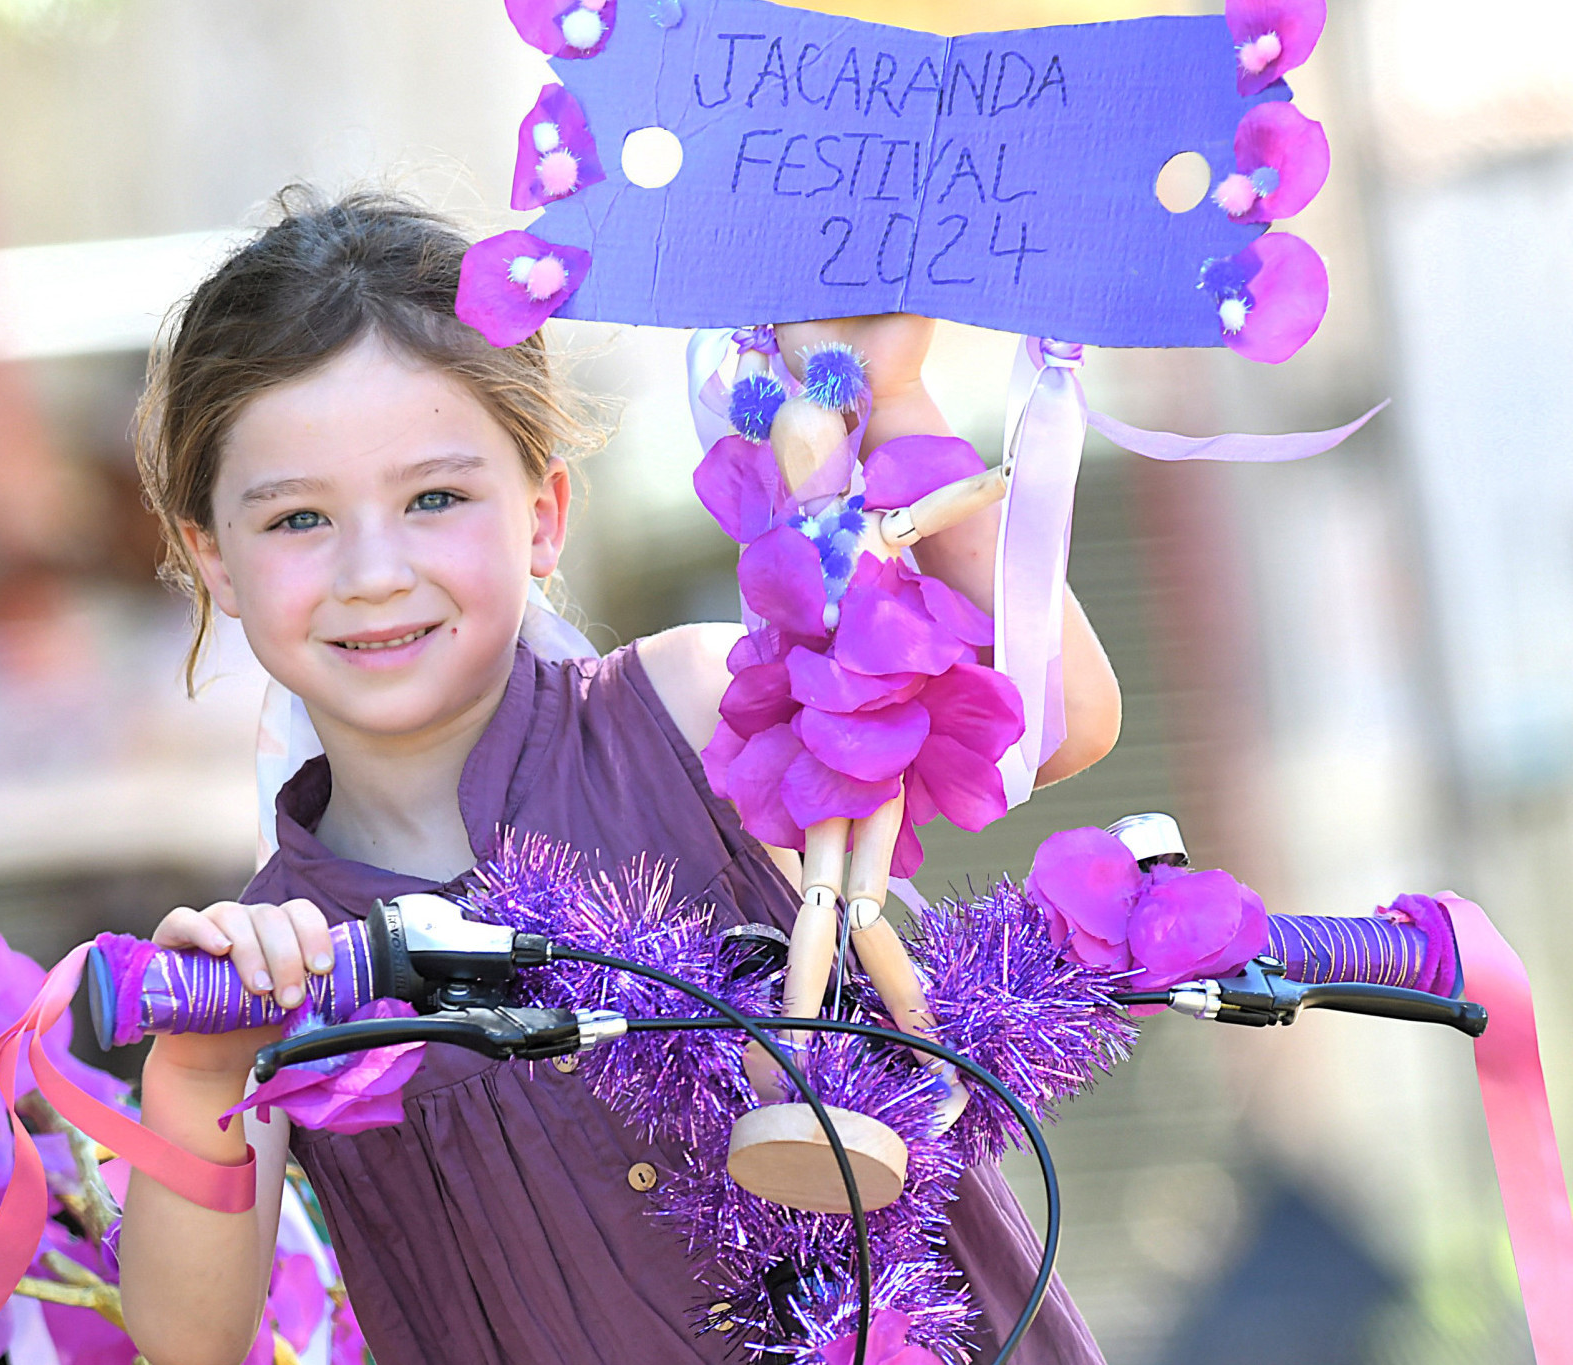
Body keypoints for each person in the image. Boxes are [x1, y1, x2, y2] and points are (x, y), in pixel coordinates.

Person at [118, 186, 1122, 1365]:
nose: (373, 570)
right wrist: (196, 1080)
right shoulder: (270, 959)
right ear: (211, 559)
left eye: (434, 498)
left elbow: (1047, 722)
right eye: (296, 519)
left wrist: (890, 399)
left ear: (542, 515)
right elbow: (190, 1343)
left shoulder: (691, 708)